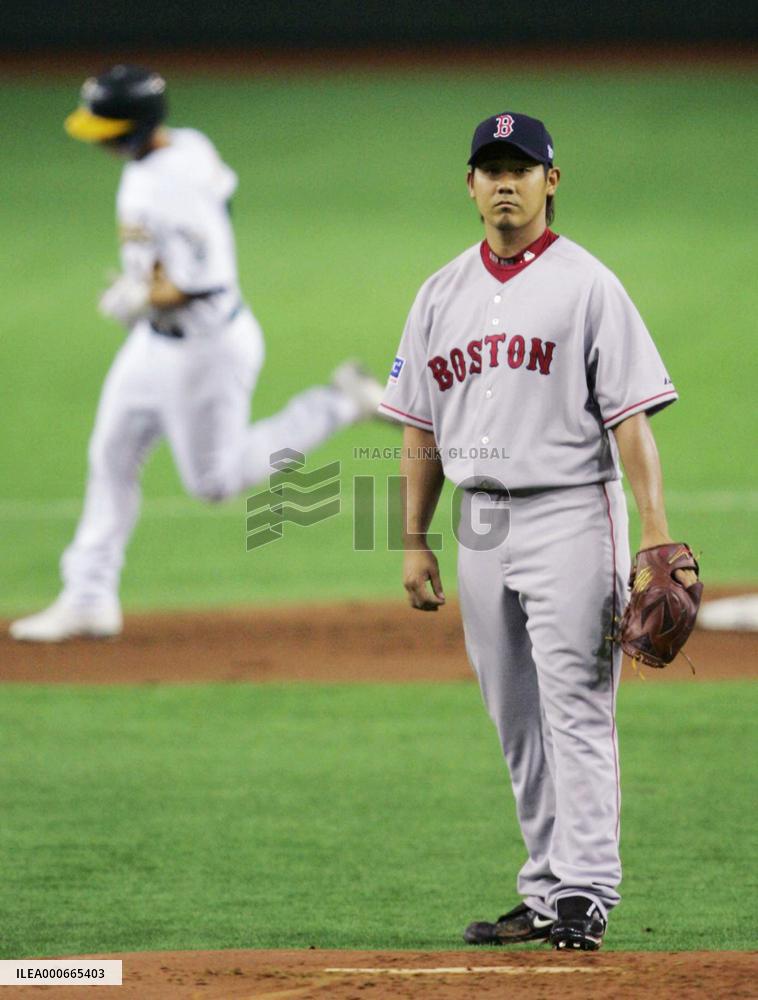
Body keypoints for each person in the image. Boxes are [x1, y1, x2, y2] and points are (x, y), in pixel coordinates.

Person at [378, 111, 698, 950]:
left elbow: (632, 421)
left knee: (578, 708)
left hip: (567, 510)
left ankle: (587, 891)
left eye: (522, 168)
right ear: (472, 184)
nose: (506, 181)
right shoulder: (439, 292)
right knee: (516, 718)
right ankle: (548, 885)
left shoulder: (589, 284)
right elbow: (418, 425)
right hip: (478, 519)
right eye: (491, 168)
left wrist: (654, 536)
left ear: (551, 181)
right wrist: (412, 536)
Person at [10, 64, 383, 643]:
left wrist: (143, 293)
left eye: (106, 126)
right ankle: (87, 597)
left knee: (215, 482)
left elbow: (203, 280)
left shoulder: (169, 184)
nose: (98, 138)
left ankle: (340, 403)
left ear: (133, 128)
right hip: (153, 346)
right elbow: (223, 200)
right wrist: (148, 293)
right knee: (110, 453)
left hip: (206, 351)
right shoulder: (187, 146)